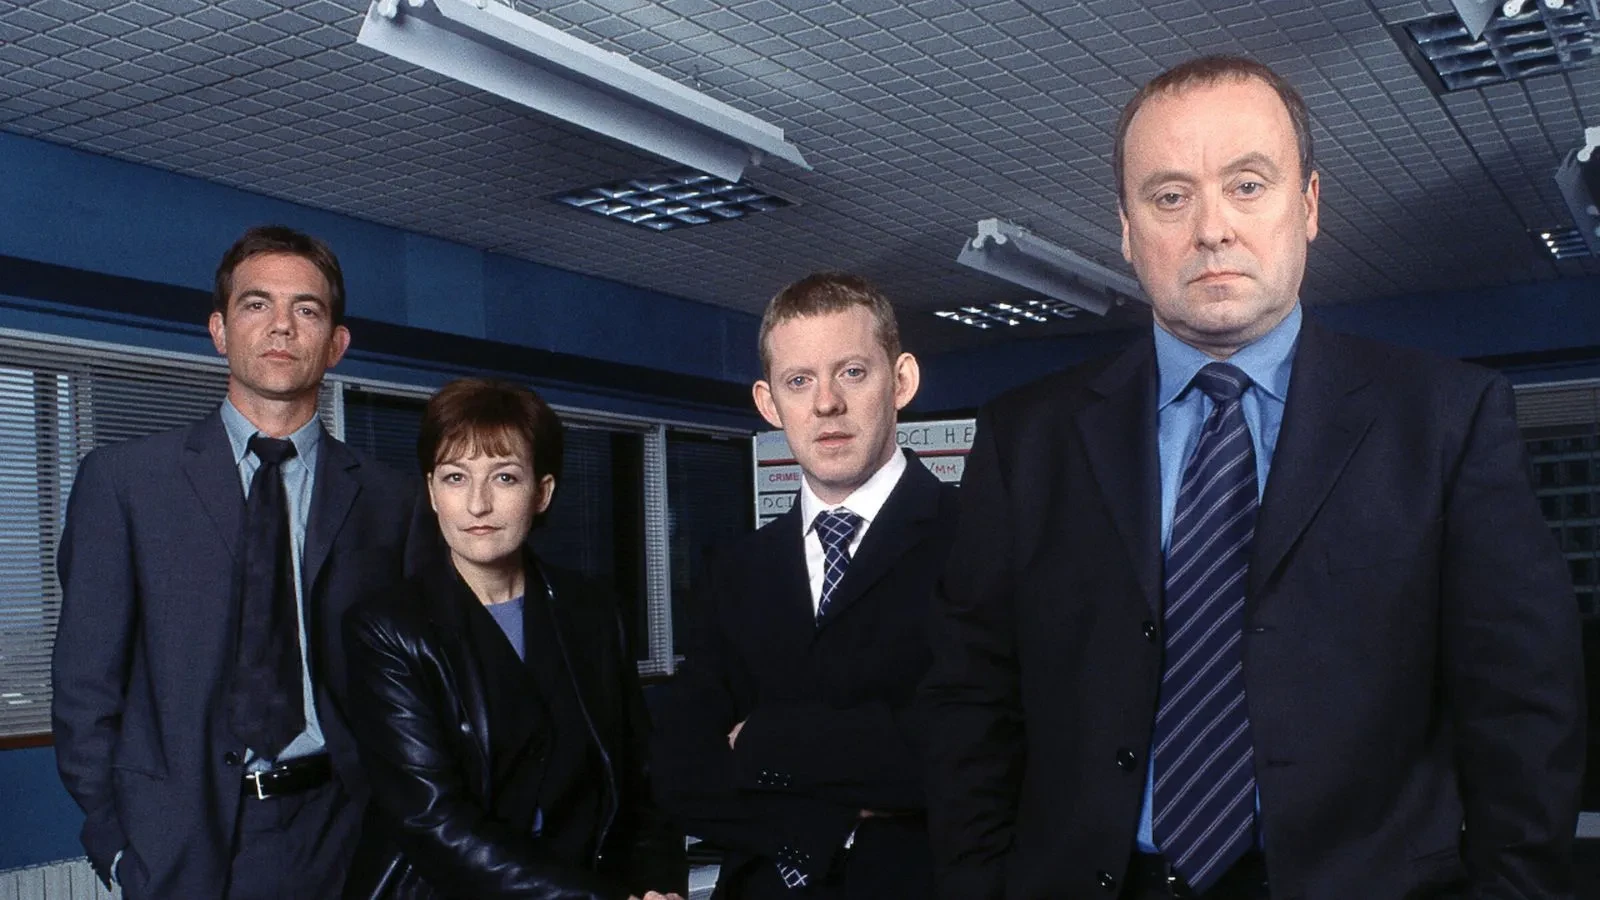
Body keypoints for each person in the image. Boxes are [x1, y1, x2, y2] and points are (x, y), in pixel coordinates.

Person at [921, 54, 1585, 900]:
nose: (1211, 229)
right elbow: (971, 702)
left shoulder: (1447, 422)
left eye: (1247, 184)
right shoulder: (1028, 440)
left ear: (1307, 205)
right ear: (1126, 230)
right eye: (1169, 197)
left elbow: (1523, 715)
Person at [52, 225, 420, 898]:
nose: (282, 326)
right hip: (180, 838)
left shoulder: (392, 501)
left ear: (336, 344)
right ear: (219, 330)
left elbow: (414, 682)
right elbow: (85, 686)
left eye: (306, 309)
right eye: (257, 304)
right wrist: (112, 838)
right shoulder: (125, 483)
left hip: (344, 829)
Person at [652, 273, 960, 899]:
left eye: (851, 372)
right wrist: (837, 814)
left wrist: (763, 740)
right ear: (769, 404)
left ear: (900, 381)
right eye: (800, 381)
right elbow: (679, 771)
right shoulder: (736, 569)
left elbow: (959, 756)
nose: (826, 404)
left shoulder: (978, 542)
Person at [340, 377, 686, 900]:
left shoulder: (590, 611)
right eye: (455, 478)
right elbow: (435, 821)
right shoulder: (388, 628)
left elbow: (640, 781)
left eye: (504, 477)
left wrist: (662, 889)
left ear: (542, 492)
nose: (478, 504)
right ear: (432, 493)